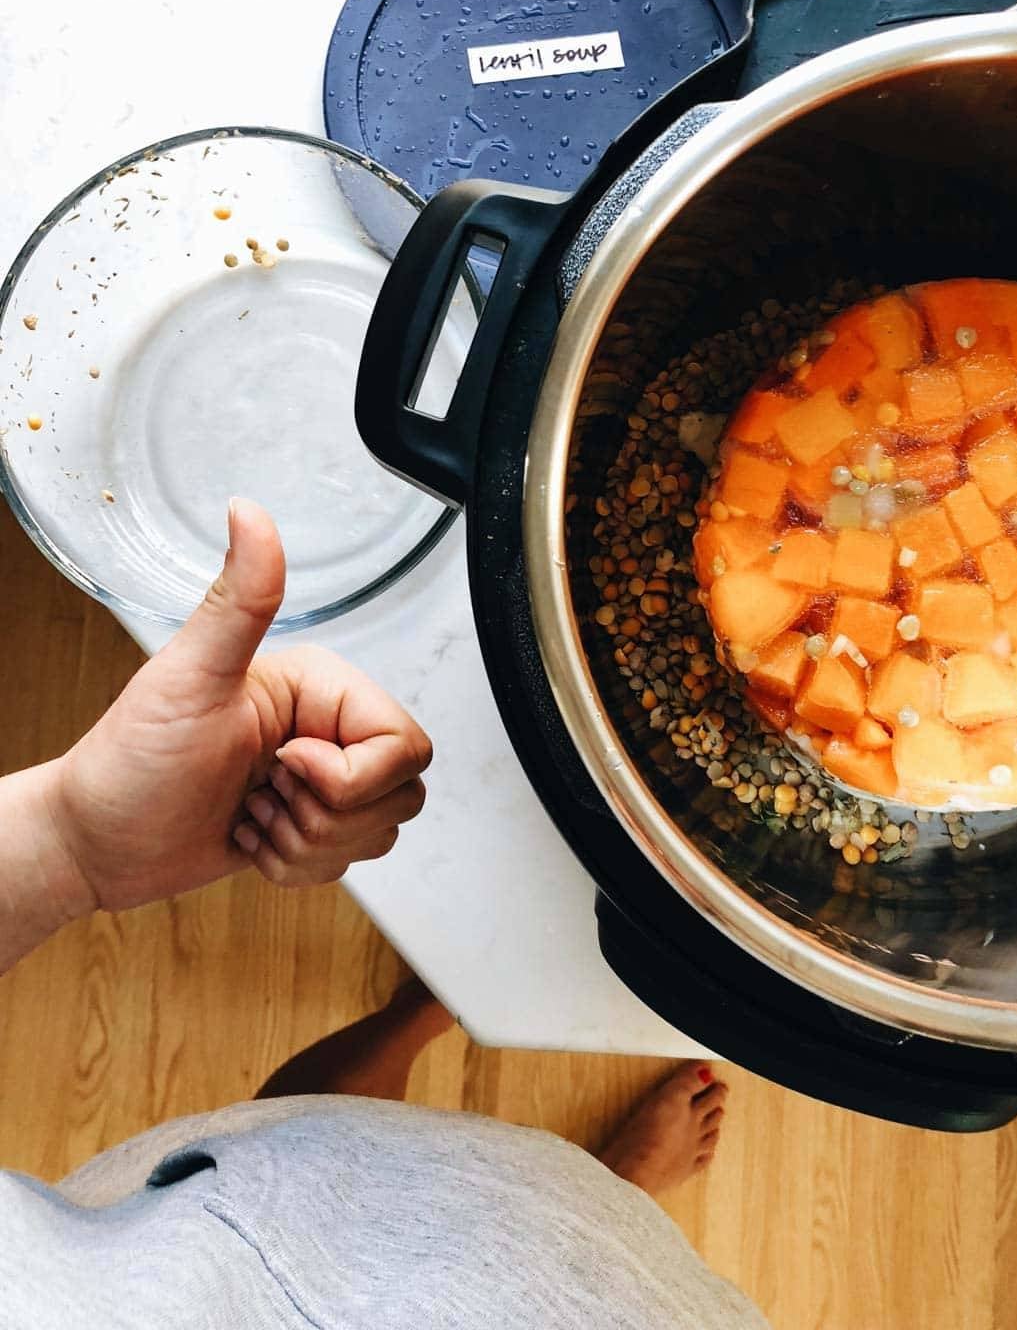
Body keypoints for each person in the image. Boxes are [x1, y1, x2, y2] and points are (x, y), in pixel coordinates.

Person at [0, 499, 768, 1328]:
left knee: (319, 1153)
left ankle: (424, 1027)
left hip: (228, 1232)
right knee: (592, 1253)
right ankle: (607, 1205)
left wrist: (67, 841)